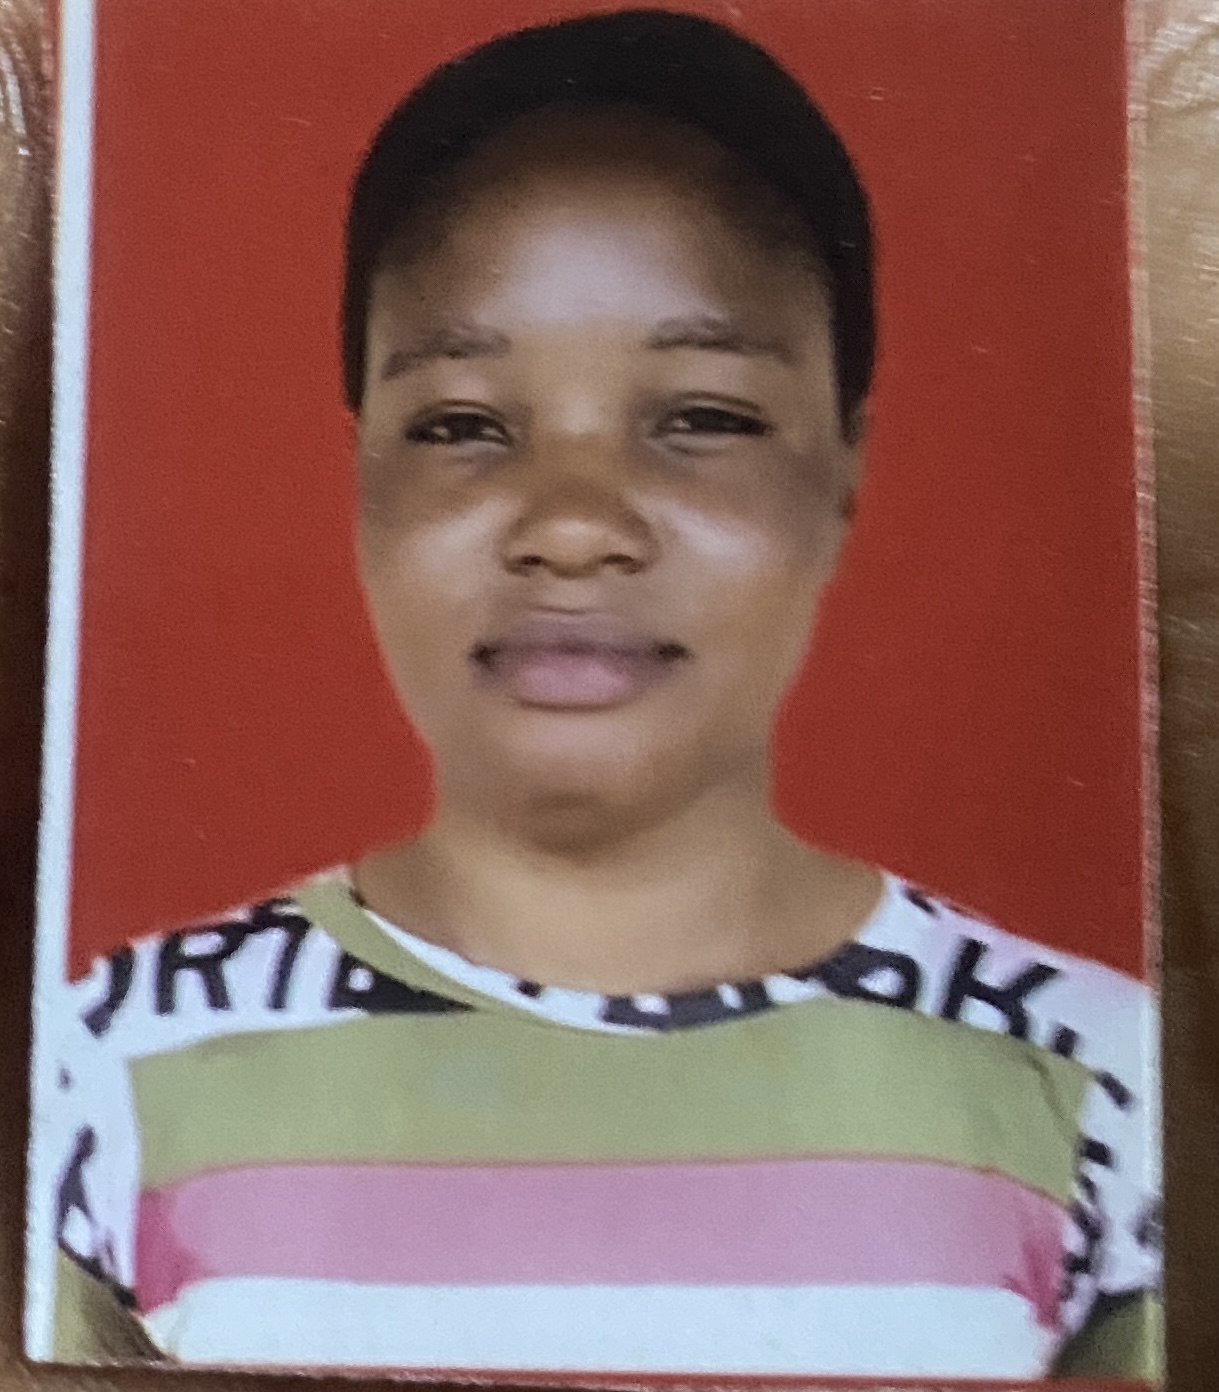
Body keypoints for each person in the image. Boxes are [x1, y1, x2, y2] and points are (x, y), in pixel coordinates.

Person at [37, 8, 1160, 1380]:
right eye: (462, 425)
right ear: (362, 473)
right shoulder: (109, 1067)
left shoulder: (1094, 1077)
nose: (572, 526)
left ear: (845, 465)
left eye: (702, 419)